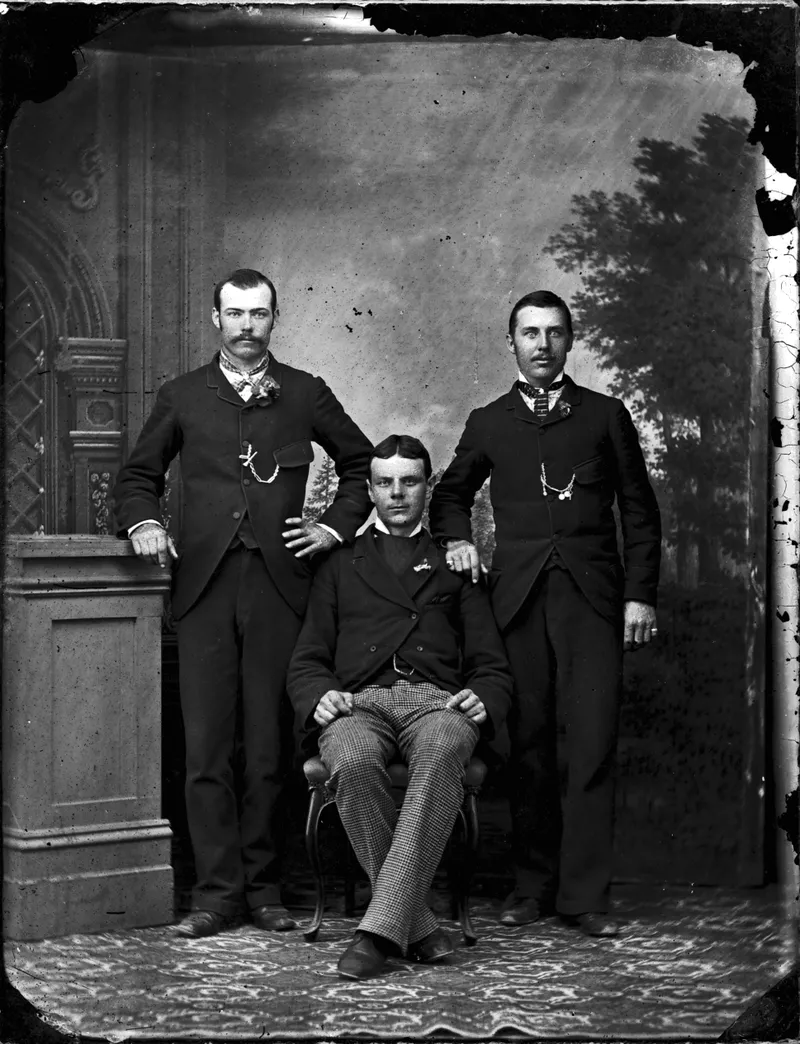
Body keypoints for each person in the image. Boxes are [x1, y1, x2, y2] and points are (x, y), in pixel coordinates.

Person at [113, 268, 373, 938]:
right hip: (202, 588)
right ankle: (215, 894)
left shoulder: (306, 392)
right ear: (216, 319)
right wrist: (145, 523)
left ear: (274, 318)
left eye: (259, 314)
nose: (247, 326)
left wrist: (333, 527)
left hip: (282, 590)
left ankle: (264, 891)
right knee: (205, 749)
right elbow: (138, 477)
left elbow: (362, 465)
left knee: (267, 747)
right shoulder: (181, 395)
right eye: (235, 314)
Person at [429, 291, 661, 938]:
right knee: (526, 747)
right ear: (511, 342)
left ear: (569, 341)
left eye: (554, 333)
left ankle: (584, 896)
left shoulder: (606, 416)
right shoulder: (489, 421)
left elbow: (639, 512)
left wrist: (640, 594)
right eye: (529, 333)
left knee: (590, 745)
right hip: (518, 603)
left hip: (594, 602)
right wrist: (457, 540)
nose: (542, 344)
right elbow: (448, 498)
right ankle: (531, 887)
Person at [287, 435, 512, 979]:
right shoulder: (338, 563)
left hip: (436, 703)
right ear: (369, 490)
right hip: (358, 702)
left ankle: (376, 934)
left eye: (409, 481)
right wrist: (319, 695)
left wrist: (484, 695)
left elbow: (492, 664)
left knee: (443, 747)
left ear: (426, 488)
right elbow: (308, 659)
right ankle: (418, 924)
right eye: (384, 483)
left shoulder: (455, 563)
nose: (397, 493)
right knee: (351, 757)